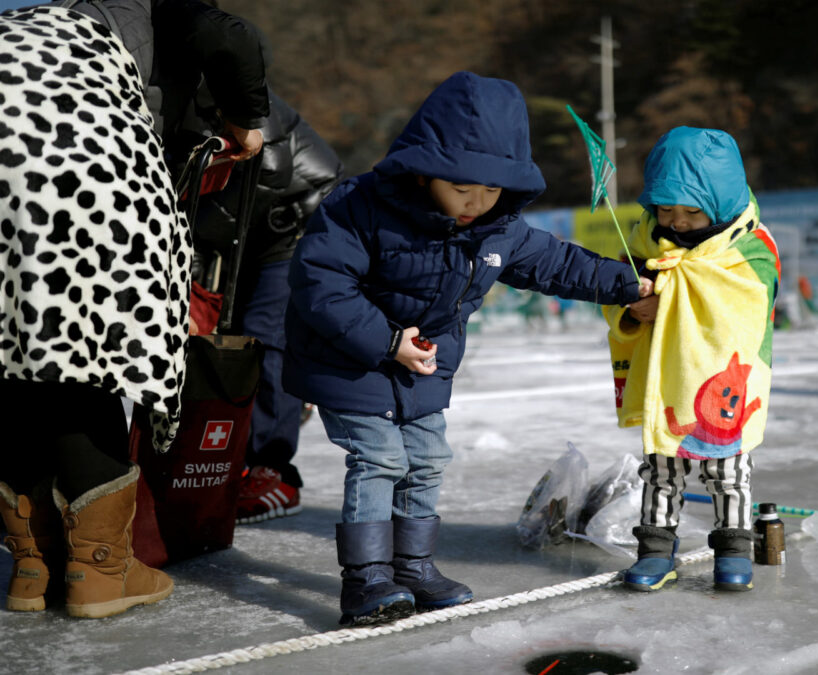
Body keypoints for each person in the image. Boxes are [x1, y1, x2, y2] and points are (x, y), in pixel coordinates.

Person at [282, 71, 653, 627]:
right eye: (462, 189)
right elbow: (320, 283)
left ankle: (413, 567)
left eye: (493, 191)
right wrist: (387, 340)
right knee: (380, 458)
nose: (477, 203)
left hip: (424, 365)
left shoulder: (496, 227)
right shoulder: (358, 207)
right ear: (426, 170)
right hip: (350, 359)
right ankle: (366, 580)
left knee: (428, 461)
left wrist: (630, 287)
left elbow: (558, 263)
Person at [0, 1, 266, 618]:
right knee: (84, 353)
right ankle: (99, 573)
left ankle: (31, 567)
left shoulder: (42, 15)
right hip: (70, 151)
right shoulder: (142, 4)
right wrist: (245, 119)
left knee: (13, 352)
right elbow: (224, 34)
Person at [603, 127, 779, 593]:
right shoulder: (644, 239)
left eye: (690, 212)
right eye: (666, 210)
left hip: (722, 387)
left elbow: (746, 310)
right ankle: (656, 551)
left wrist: (668, 303)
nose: (676, 222)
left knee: (728, 471)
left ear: (719, 205)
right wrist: (629, 302)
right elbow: (615, 290)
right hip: (665, 380)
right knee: (661, 468)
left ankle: (734, 548)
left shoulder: (749, 248)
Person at [187, 87, 345, 524]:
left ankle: (275, 470)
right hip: (248, 236)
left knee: (264, 335)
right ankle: (234, 455)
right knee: (225, 337)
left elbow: (266, 170)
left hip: (303, 221)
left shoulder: (234, 95)